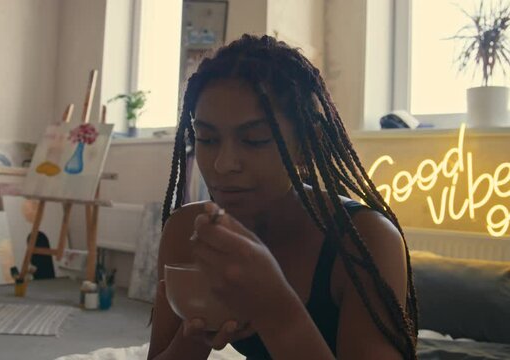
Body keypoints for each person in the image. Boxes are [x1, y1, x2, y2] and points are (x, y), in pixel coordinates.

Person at [147, 34, 418, 360]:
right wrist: (198, 331)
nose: (223, 164)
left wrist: (276, 308)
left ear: (305, 145)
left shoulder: (365, 241)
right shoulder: (187, 231)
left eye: (254, 140)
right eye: (206, 139)